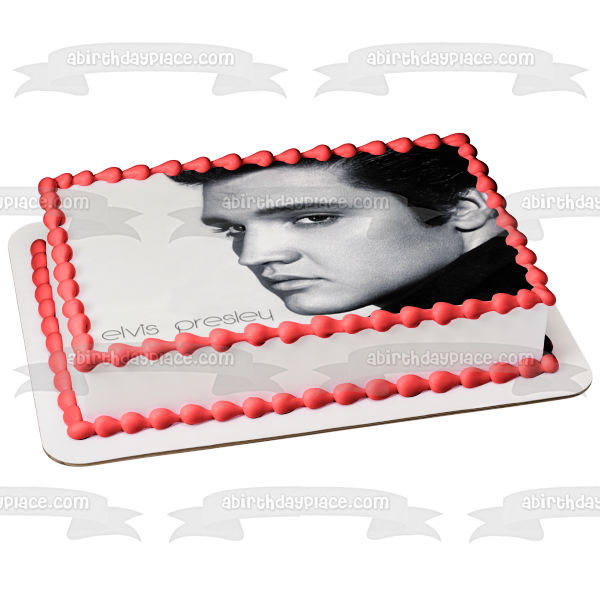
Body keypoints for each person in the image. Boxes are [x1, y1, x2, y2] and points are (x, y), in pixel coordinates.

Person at [169, 145, 531, 316]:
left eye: (314, 218)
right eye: (234, 228)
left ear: (462, 209)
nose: (253, 256)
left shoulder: (509, 331)